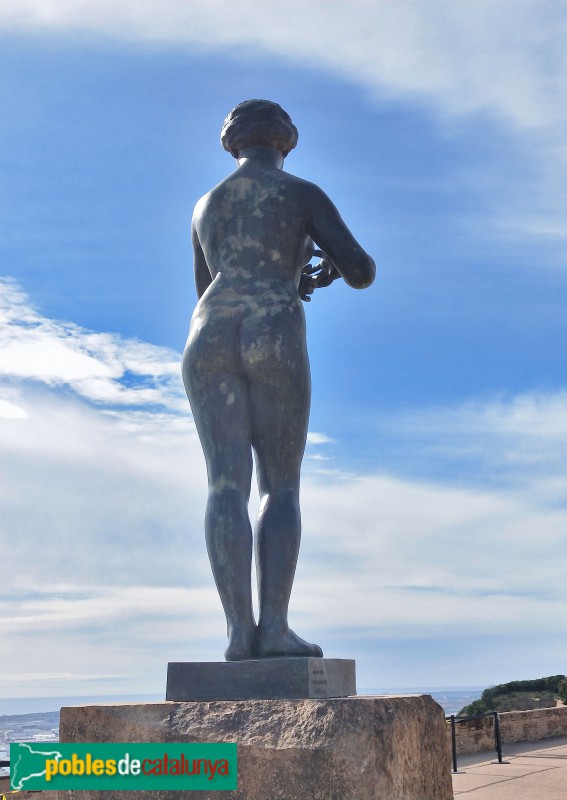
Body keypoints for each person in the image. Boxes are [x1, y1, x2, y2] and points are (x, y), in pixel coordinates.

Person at [182, 100, 375, 661]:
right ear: (287, 139)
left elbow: (205, 285)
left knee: (224, 484)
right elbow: (361, 271)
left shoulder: (206, 204)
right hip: (273, 327)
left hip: (209, 334)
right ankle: (275, 628)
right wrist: (321, 266)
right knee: (279, 485)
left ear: (231, 141)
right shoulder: (302, 194)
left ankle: (237, 633)